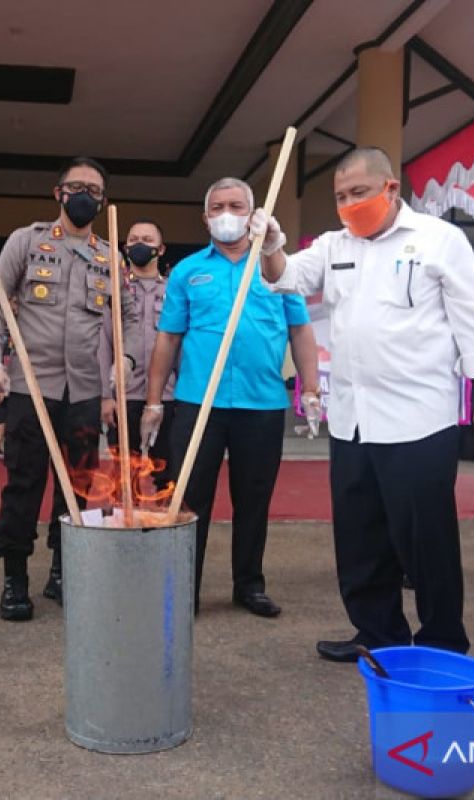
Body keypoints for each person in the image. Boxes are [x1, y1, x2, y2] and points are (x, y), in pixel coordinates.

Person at [254, 147, 474, 658]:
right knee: (360, 537)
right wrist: (271, 245)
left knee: (424, 539)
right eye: (341, 196)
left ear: (390, 188)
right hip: (353, 420)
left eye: (359, 192)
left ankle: (441, 643)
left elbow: (473, 319)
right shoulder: (335, 245)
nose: (349, 204)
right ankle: (379, 634)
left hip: (419, 417)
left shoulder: (438, 240)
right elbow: (284, 277)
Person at [143, 177, 320, 618]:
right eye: (218, 206)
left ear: (253, 213)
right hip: (198, 403)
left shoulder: (276, 268)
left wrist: (311, 388)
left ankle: (250, 584)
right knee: (189, 500)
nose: (227, 213)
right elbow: (167, 338)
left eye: (237, 205)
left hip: (261, 404)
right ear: (206, 218)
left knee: (254, 499)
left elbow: (300, 330)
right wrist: (152, 401)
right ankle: (184, 588)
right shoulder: (187, 271)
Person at [0, 157, 140, 621]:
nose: (85, 195)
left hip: (86, 391)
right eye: (77, 187)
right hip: (33, 388)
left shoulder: (110, 256)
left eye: (94, 189)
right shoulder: (26, 242)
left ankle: (62, 569)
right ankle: (14, 577)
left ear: (104, 201)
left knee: (80, 486)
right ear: (59, 193)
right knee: (24, 483)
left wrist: (125, 360)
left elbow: (127, 316)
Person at [99, 218, 176, 486]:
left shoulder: (174, 292)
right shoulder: (113, 292)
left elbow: (181, 348)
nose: (139, 245)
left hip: (167, 397)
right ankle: (124, 524)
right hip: (124, 396)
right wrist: (105, 396)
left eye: (146, 240)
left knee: (168, 476)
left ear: (161, 249)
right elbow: (103, 345)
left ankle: (163, 527)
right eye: (133, 240)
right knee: (123, 477)